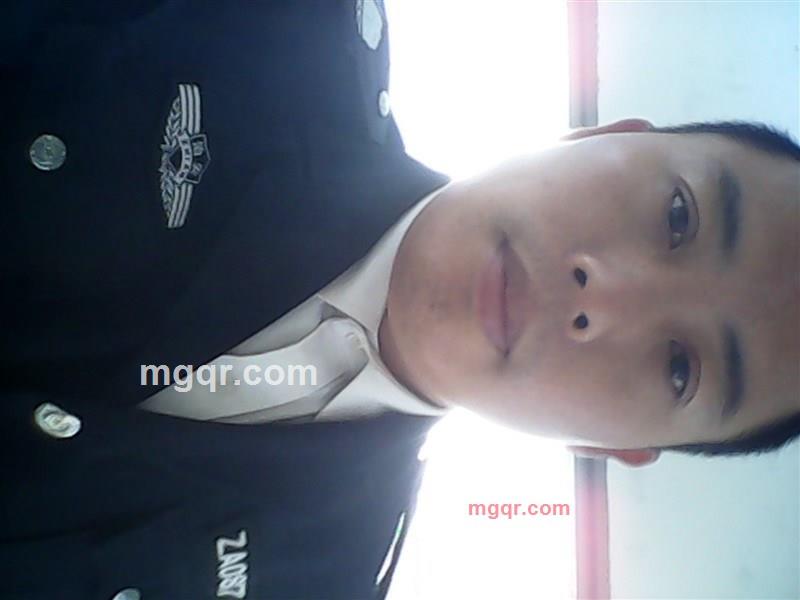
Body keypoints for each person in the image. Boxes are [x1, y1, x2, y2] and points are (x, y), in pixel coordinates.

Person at [2, 2, 799, 599]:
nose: (604, 298)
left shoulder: (324, 584)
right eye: (679, 216)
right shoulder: (272, 25)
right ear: (606, 137)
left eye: (680, 368)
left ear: (612, 447)